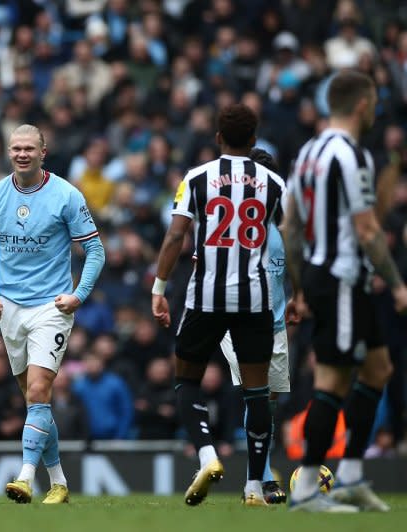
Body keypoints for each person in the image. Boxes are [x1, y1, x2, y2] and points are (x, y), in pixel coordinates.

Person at [284, 70, 407, 513]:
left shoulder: (307, 153)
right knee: (332, 381)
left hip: (325, 276)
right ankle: (306, 491)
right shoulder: (352, 156)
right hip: (341, 278)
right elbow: (368, 227)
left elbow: (289, 226)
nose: (375, 110)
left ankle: (351, 476)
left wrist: (298, 287)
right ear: (361, 105)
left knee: (379, 369)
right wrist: (397, 284)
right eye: (373, 102)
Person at [152, 104, 286, 507]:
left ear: (217, 137)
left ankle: (207, 456)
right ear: (254, 139)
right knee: (257, 392)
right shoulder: (275, 183)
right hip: (255, 299)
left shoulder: (196, 178)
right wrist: (297, 299)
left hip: (206, 297)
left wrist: (159, 286)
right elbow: (290, 239)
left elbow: (176, 237)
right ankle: (253, 488)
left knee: (186, 380)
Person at [0, 123, 105, 504]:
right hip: (10, 309)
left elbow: (96, 251)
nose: (22, 154)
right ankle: (59, 483)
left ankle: (25, 477)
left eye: (29, 148)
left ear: (43, 152)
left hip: (51, 307)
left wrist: (78, 296)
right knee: (36, 405)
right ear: (8, 152)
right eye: (16, 148)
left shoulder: (66, 195)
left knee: (38, 391)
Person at [218, 147, 296, 504]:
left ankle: (260, 474)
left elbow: (288, 272)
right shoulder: (231, 225)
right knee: (258, 393)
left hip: (275, 323)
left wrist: (299, 298)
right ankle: (261, 479)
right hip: (237, 322)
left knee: (271, 401)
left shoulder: (282, 227)